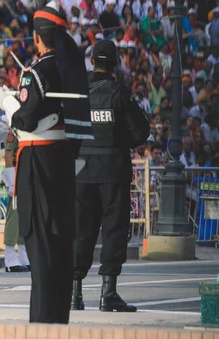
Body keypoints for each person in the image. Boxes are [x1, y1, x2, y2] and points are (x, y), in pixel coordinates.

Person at [0, 0, 93, 324]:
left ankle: (43, 324)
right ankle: (56, 318)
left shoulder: (36, 72)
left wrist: (6, 102)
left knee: (41, 245)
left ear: (37, 38)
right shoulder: (71, 69)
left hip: (39, 162)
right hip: (65, 160)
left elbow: (28, 120)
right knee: (60, 244)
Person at [72, 40, 148, 313]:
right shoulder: (120, 92)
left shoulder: (78, 92)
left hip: (81, 169)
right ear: (115, 63)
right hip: (113, 169)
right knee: (114, 229)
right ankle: (108, 293)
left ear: (92, 61)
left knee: (80, 229)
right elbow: (140, 132)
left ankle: (74, 294)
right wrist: (119, 142)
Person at [1, 133, 30, 273]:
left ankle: (24, 255)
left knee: (26, 216)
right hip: (16, 173)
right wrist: (12, 180)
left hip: (28, 171)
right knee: (14, 216)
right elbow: (7, 155)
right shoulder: (14, 132)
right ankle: (10, 257)